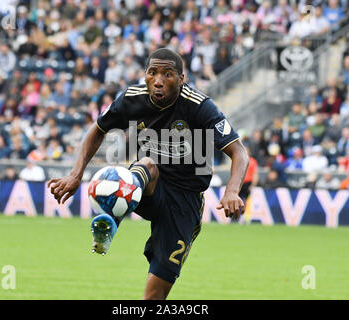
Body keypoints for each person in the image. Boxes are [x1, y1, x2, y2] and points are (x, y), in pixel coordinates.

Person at [47, 48, 249, 300]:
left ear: (182, 78)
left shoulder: (199, 106)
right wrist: (75, 175)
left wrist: (232, 191)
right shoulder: (132, 98)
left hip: (184, 202)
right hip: (148, 186)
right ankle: (110, 221)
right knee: (147, 164)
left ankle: (116, 216)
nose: (158, 80)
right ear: (145, 75)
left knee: (154, 297)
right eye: (152, 73)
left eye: (168, 74)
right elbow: (97, 129)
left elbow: (239, 152)